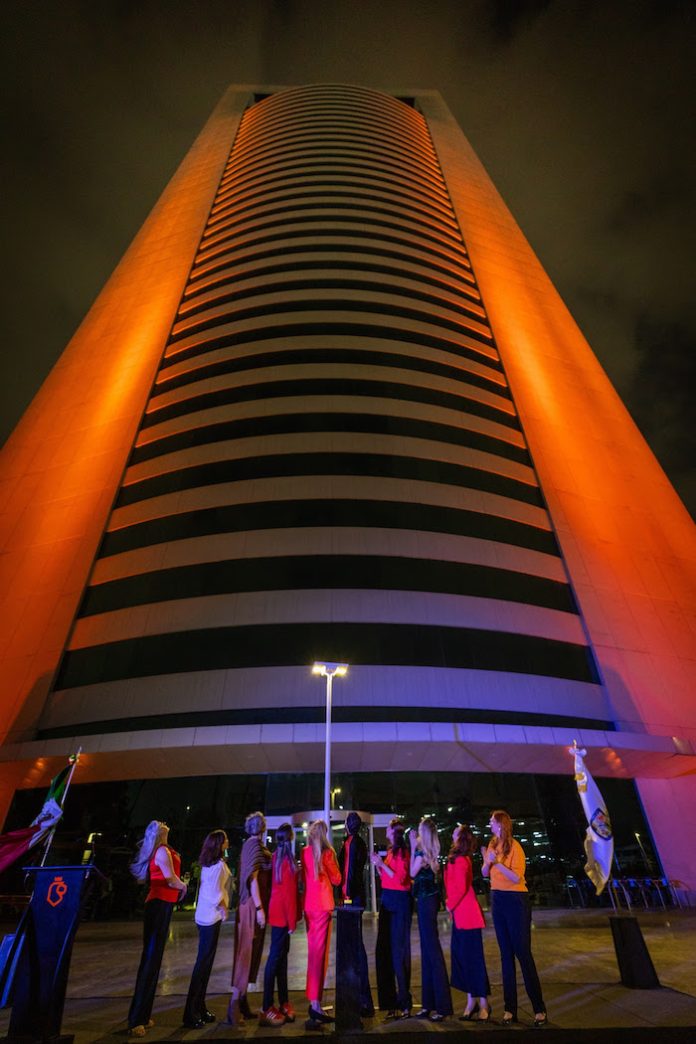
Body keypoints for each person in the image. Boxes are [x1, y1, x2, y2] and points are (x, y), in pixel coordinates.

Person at [482, 810, 547, 1027]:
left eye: (492, 820)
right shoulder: (492, 844)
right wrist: (487, 861)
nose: (489, 823)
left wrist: (497, 862)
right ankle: (510, 1009)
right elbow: (484, 872)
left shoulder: (515, 846)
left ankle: (539, 1009)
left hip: (516, 900)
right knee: (505, 956)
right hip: (497, 899)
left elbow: (516, 876)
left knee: (523, 953)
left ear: (501, 824)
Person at [128, 821, 187, 1037]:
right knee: (150, 961)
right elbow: (171, 879)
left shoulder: (165, 850)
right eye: (160, 823)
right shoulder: (161, 850)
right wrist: (184, 885)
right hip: (158, 905)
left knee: (154, 962)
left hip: (163, 905)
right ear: (157, 832)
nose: (165, 823)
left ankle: (142, 1016)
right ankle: (135, 1020)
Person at [183, 829, 231, 1028]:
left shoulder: (207, 865)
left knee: (204, 964)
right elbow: (215, 893)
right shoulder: (218, 866)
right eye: (225, 839)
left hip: (202, 917)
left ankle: (199, 1007)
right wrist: (224, 906)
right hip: (211, 919)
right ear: (219, 845)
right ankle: (190, 1012)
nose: (228, 841)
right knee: (203, 965)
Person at [227, 811, 272, 1025]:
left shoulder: (248, 846)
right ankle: (234, 1006)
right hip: (251, 906)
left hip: (249, 905)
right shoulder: (254, 846)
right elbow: (253, 878)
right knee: (246, 953)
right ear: (261, 829)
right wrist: (260, 908)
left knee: (250, 952)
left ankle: (242, 1003)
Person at [444, 824, 491, 1022]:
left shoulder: (463, 861)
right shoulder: (456, 859)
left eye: (455, 832)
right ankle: (472, 1000)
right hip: (460, 915)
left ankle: (483, 1005)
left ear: (460, 838)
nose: (452, 833)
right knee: (463, 960)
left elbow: (461, 888)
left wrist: (449, 904)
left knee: (473, 960)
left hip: (467, 915)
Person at [409, 817, 452, 1021]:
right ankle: (428, 1004)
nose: (416, 832)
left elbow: (411, 872)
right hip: (429, 900)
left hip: (426, 901)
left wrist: (411, 847)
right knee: (427, 951)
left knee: (432, 951)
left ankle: (442, 1006)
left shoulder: (421, 853)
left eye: (418, 829)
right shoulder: (432, 853)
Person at [370, 817, 412, 1020]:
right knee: (385, 952)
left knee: (399, 953)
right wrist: (379, 865)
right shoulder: (392, 851)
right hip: (388, 901)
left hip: (398, 902)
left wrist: (381, 864)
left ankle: (404, 1001)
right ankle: (391, 1002)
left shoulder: (402, 852)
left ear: (394, 832)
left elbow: (401, 879)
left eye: (388, 827)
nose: (385, 829)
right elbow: (387, 877)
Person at [260, 823, 301, 1026]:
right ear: (291, 838)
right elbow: (289, 895)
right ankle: (267, 1006)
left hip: (277, 915)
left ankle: (282, 1002)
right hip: (283, 916)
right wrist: (292, 922)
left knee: (280, 959)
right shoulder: (287, 861)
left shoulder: (276, 858)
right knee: (276, 960)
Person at [301, 819, 341, 1023]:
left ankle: (314, 1001)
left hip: (309, 907)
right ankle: (315, 1004)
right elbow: (337, 879)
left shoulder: (305, 852)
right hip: (323, 907)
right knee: (321, 957)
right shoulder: (327, 853)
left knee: (313, 955)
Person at [338, 812, 374, 1017]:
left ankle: (362, 1000)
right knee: (356, 947)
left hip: (351, 899)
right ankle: (361, 998)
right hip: (356, 897)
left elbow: (349, 871)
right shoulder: (359, 843)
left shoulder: (351, 843)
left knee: (355, 949)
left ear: (347, 825)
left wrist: (347, 897)